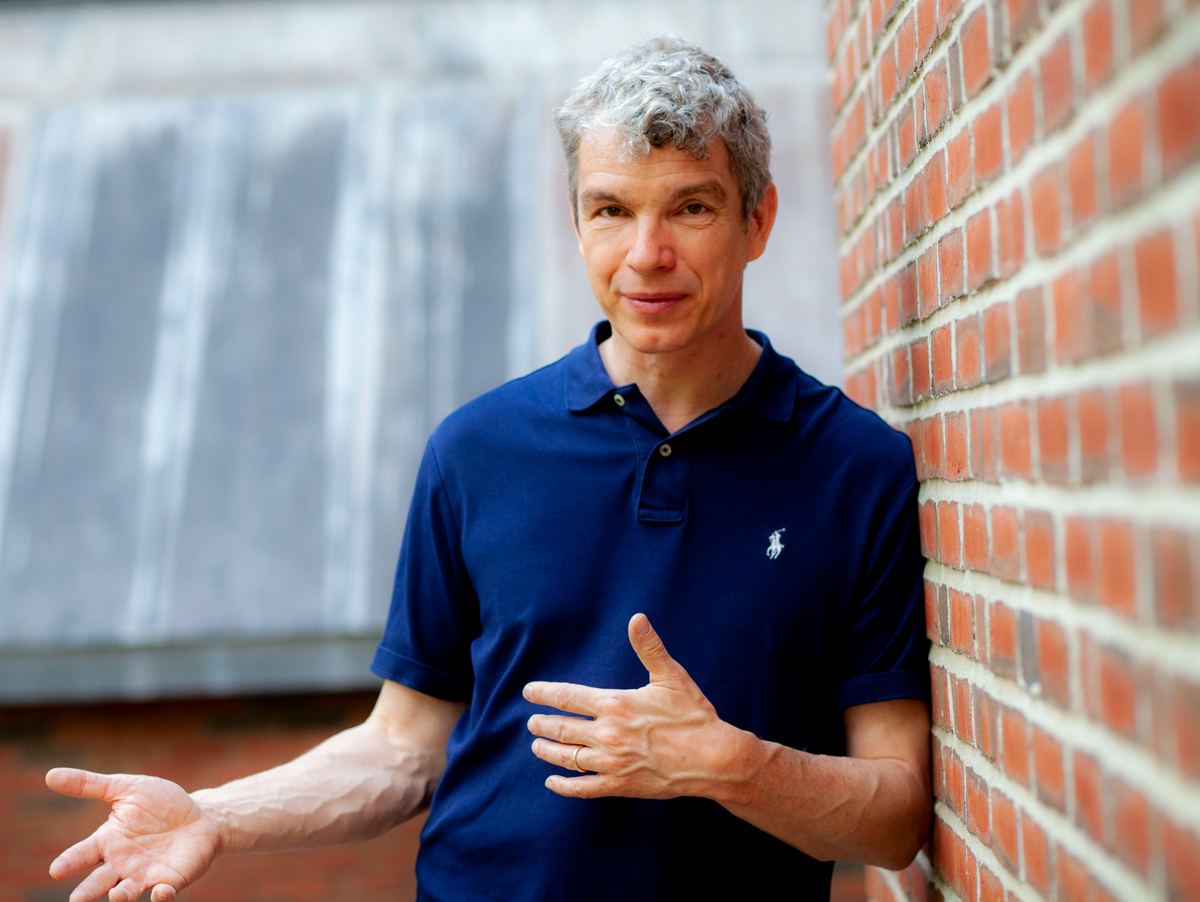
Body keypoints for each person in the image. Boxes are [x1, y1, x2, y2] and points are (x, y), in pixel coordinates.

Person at [45, 37, 932, 902]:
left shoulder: (855, 467)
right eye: (612, 210)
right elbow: (402, 748)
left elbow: (894, 816)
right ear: (578, 221)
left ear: (758, 220)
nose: (646, 255)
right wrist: (213, 812)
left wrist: (728, 764)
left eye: (691, 209)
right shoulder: (478, 450)